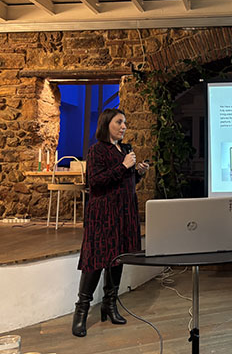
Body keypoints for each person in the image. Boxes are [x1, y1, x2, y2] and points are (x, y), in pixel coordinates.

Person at [72, 108, 149, 337]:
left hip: (124, 213)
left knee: (117, 258)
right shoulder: (97, 150)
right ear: (107, 124)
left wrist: (138, 173)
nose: (124, 126)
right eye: (119, 122)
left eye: (125, 122)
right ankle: (81, 311)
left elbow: (126, 182)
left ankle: (110, 304)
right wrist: (123, 166)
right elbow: (96, 182)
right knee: (95, 261)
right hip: (103, 214)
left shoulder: (125, 149)